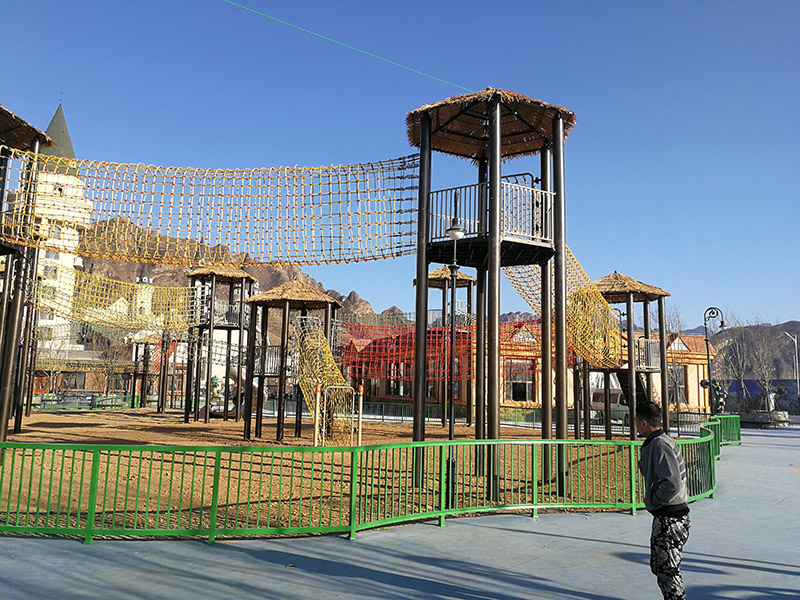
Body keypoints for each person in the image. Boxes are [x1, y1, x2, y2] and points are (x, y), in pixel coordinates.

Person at [636, 401, 691, 600]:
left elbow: (672, 484)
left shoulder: (661, 445)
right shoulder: (658, 442)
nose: (635, 425)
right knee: (660, 567)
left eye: (636, 421)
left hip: (671, 518)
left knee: (669, 572)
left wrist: (653, 501)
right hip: (665, 517)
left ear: (644, 423)